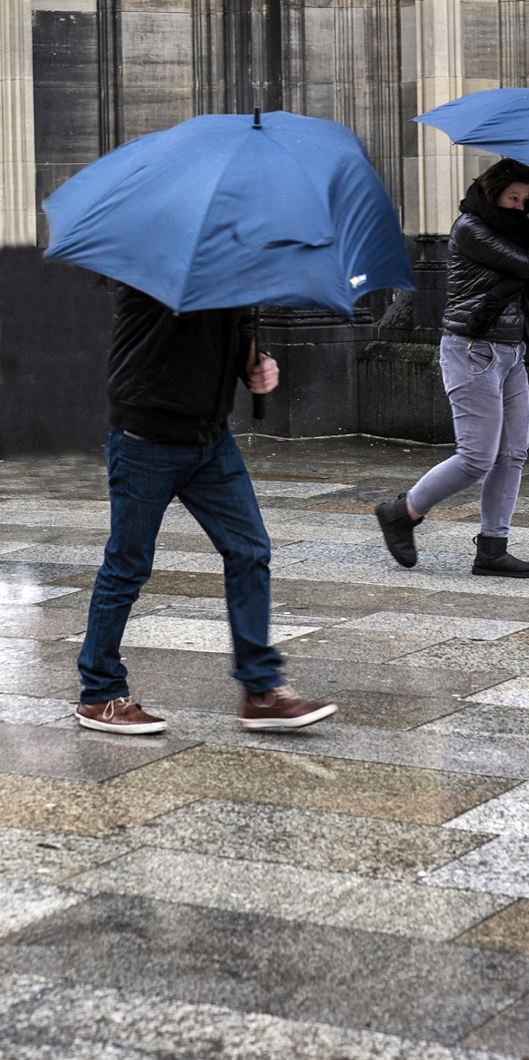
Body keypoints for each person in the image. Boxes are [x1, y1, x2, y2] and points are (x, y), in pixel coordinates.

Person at [74, 284, 337, 735]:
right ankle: (99, 694)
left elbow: (228, 336)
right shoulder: (160, 267)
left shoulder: (231, 268)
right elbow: (173, 335)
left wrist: (254, 362)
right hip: (146, 439)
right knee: (128, 565)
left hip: (210, 440)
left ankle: (261, 690)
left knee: (249, 550)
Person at [375, 159, 529, 577]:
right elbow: (522, 266)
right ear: (492, 193)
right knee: (476, 456)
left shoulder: (515, 235)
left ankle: (492, 549)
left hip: (510, 352)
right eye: (512, 197)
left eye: (525, 200)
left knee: (512, 453)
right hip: (473, 351)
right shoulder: (470, 227)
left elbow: (522, 284)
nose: (519, 206)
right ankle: (401, 512)